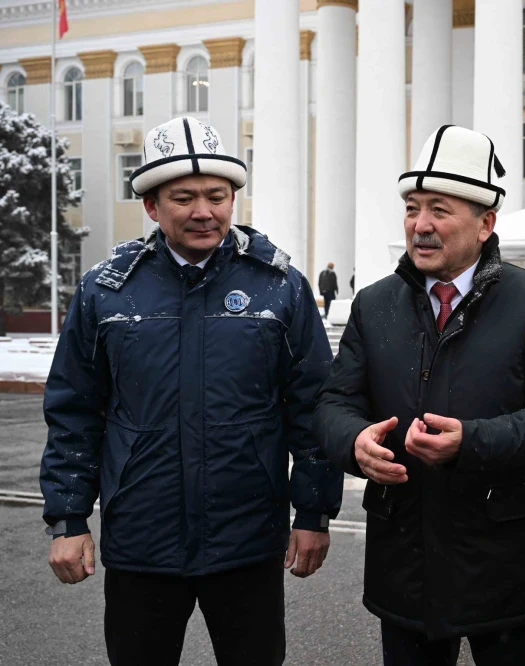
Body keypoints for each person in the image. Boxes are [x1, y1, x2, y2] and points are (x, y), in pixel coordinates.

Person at [40, 116, 343, 666]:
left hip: (248, 539)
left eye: (217, 196)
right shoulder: (107, 291)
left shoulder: (279, 287)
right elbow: (74, 411)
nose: (204, 211)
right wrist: (68, 518)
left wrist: (313, 513)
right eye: (184, 198)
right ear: (152, 207)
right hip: (142, 542)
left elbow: (313, 407)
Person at [313, 125, 525, 665]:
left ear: (485, 224)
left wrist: (473, 442)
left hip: (511, 567)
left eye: (439, 210)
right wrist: (354, 442)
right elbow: (332, 404)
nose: (421, 225)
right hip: (407, 565)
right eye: (412, 209)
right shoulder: (374, 305)